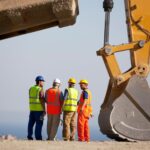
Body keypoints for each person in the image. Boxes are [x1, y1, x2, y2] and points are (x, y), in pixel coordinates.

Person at [27, 75, 45, 140]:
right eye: (43, 81)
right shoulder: (40, 89)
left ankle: (29, 136)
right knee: (39, 124)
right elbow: (42, 100)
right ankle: (38, 137)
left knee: (30, 124)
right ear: (40, 82)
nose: (43, 83)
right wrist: (44, 110)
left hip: (32, 109)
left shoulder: (31, 88)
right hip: (39, 110)